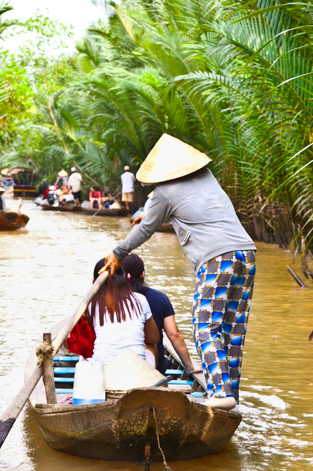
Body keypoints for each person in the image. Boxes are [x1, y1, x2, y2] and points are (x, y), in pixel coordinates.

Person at [100, 134, 256, 411]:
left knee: (205, 325)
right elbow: (191, 211)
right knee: (233, 330)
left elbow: (147, 229)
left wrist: (117, 253)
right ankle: (231, 395)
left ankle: (220, 391)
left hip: (216, 259)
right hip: (246, 253)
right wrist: (150, 215)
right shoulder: (208, 177)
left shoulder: (163, 193)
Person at [121, 254, 202, 375]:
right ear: (142, 275)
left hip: (118, 363)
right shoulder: (160, 298)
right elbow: (174, 334)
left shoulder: (111, 299)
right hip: (154, 366)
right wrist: (189, 367)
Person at [88, 258, 160, 367]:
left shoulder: (90, 305)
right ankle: (152, 378)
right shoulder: (140, 299)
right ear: (125, 279)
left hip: (103, 368)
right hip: (135, 368)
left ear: (94, 282)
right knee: (152, 346)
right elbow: (154, 338)